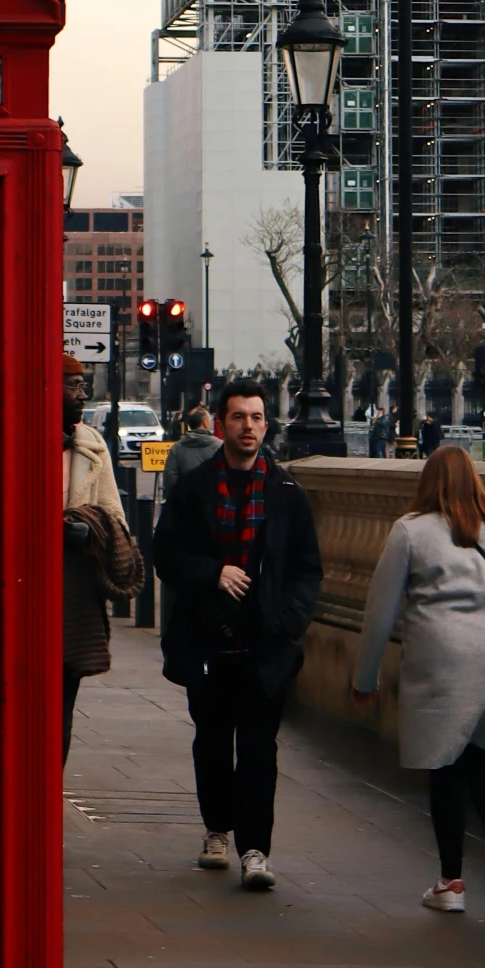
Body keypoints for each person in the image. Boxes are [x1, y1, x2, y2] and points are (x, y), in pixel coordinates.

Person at [352, 444, 485, 913]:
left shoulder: (410, 531)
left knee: (445, 765)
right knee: (482, 756)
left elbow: (380, 613)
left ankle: (451, 883)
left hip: (441, 654)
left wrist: (365, 678)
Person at [153, 377, 322, 892]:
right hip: (208, 640)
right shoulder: (194, 489)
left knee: (259, 751)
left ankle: (255, 849)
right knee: (211, 742)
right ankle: (217, 829)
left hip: (265, 644)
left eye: (255, 418)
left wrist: (288, 623)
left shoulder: (288, 493)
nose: (247, 427)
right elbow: (165, 555)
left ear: (265, 425)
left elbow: (307, 569)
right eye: (237, 417)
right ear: (219, 424)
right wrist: (213, 573)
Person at [64, 354, 140, 759]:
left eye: (83, 384)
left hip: (75, 596)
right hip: (23, 592)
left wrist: (87, 529)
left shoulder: (93, 446)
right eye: (74, 385)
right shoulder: (16, 437)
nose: (83, 394)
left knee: (62, 711)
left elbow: (115, 519)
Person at [159, 406, 221, 640]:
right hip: (214, 516)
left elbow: (170, 481)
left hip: (186, 519)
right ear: (205, 423)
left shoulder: (178, 448)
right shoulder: (218, 447)